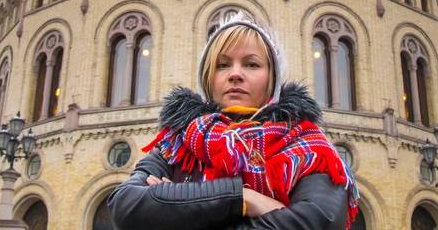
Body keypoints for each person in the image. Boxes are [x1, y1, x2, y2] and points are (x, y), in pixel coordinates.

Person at [109, 18, 359, 230]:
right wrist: (243, 197)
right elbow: (127, 205)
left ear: (272, 78)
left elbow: (319, 222)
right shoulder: (176, 145)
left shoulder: (310, 148)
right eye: (223, 65)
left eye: (251, 64)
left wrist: (180, 206)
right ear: (208, 78)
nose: (235, 74)